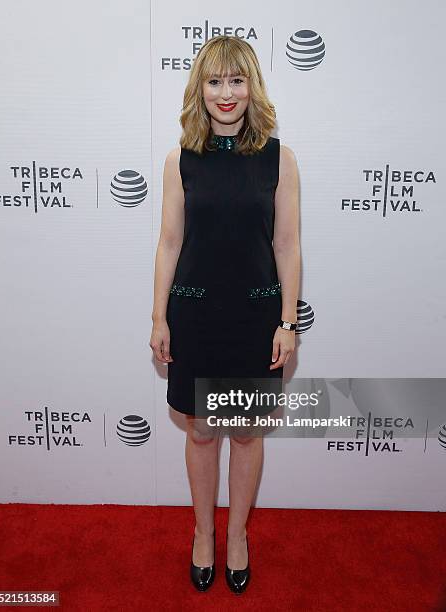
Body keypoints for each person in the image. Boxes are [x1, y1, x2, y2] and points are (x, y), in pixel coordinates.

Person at [150, 35, 300, 594]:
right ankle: (203, 535)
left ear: (252, 86)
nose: (226, 93)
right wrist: (160, 317)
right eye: (215, 81)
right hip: (196, 316)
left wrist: (287, 322)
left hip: (255, 320)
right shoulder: (179, 160)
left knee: (246, 434)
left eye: (237, 80)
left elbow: (287, 246)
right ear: (200, 89)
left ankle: (237, 535)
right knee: (203, 432)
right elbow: (168, 243)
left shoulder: (277, 158)